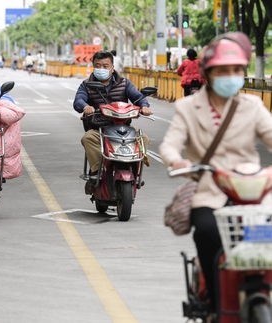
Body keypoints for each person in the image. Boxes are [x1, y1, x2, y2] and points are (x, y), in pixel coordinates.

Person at [159, 32, 272, 314]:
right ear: (208, 73)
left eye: (236, 70)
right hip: (210, 191)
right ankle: (217, 301)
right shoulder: (188, 107)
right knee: (207, 233)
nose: (231, 76)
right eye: (224, 70)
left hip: (255, 190)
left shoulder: (253, 106)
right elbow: (170, 145)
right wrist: (177, 161)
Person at [73, 50, 152, 180]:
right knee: (87, 138)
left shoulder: (124, 83)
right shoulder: (86, 85)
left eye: (105, 66)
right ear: (93, 66)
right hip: (99, 130)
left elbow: (138, 97)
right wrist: (85, 107)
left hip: (123, 128)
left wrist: (145, 106)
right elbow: (78, 101)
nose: (101, 69)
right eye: (98, 66)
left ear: (112, 68)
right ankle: (98, 171)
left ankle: (134, 168)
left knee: (144, 138)